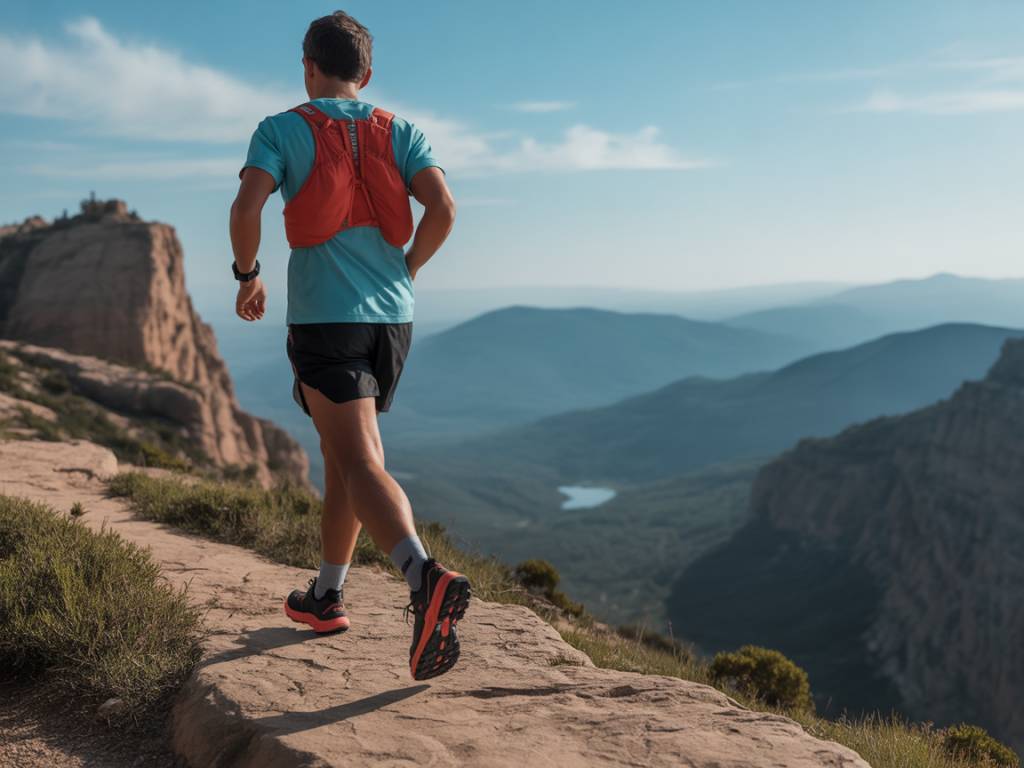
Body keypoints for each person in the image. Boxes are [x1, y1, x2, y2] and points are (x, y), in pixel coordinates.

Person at [228, 10, 467, 681]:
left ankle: (424, 579)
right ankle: (327, 595)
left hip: (325, 321)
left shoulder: (281, 129)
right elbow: (444, 209)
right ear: (367, 72)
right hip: (393, 321)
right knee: (347, 456)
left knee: (356, 459)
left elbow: (246, 208)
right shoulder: (404, 130)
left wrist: (248, 276)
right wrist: (408, 269)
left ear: (308, 66)